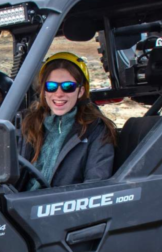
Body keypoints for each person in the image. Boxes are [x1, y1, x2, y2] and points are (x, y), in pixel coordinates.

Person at [19, 52, 116, 190]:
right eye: (51, 86)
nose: (59, 93)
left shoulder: (96, 130)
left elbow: (95, 185)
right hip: (19, 200)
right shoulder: (27, 122)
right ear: (44, 91)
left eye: (68, 87)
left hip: (64, 202)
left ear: (80, 91)